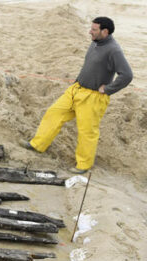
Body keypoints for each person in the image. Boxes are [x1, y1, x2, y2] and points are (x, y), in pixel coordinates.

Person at [23, 17, 132, 174]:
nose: (90, 31)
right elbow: (89, 65)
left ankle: (83, 165)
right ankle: (38, 145)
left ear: (105, 31)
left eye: (94, 29)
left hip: (93, 97)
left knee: (87, 132)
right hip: (76, 90)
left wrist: (108, 89)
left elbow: (127, 75)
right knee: (53, 113)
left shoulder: (114, 50)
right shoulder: (95, 42)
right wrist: (77, 82)